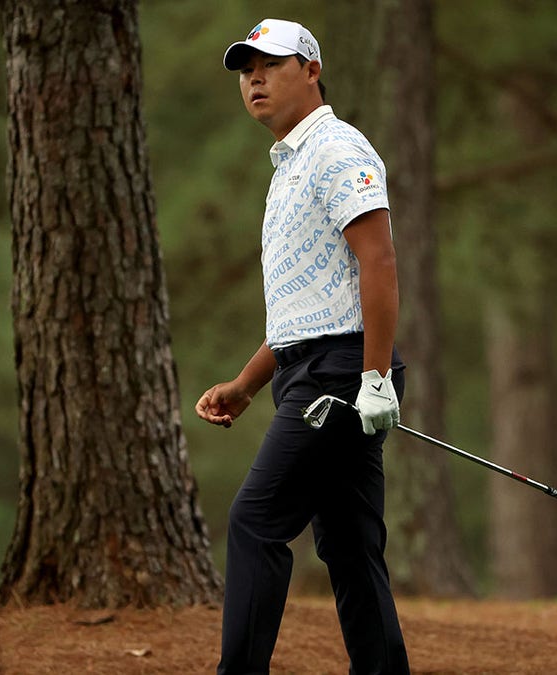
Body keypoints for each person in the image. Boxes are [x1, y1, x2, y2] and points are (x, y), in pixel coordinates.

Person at [195, 18, 411, 675]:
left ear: (311, 71)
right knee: (348, 544)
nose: (254, 78)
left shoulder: (337, 149)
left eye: (271, 64)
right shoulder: (290, 165)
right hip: (316, 367)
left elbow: (378, 263)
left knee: (256, 521)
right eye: (245, 69)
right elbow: (308, 309)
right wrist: (246, 382)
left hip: (340, 373)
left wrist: (374, 376)